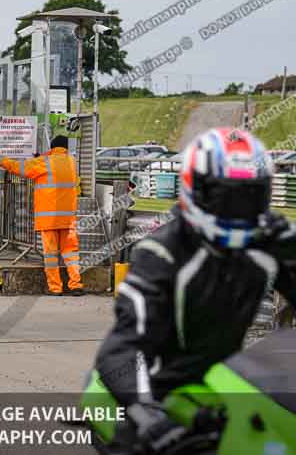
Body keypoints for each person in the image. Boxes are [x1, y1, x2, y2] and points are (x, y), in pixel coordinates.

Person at [89, 128, 296, 452]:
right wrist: (145, 412)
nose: (237, 210)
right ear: (195, 190)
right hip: (154, 388)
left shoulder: (268, 241)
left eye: (249, 197)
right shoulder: (162, 252)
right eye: (225, 197)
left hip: (227, 383)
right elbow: (121, 346)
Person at [0, 135, 84, 296]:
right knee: (71, 254)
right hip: (68, 219)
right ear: (66, 148)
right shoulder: (71, 162)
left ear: (52, 148)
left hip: (49, 219)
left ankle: (55, 288)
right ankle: (76, 284)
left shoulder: (45, 162)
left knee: (51, 255)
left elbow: (17, 167)